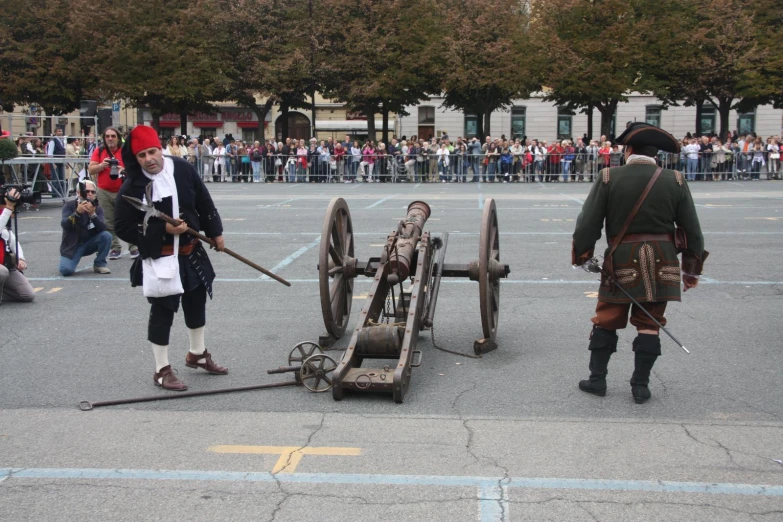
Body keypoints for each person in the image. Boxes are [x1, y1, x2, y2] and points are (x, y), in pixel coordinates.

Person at [571, 123, 708, 404]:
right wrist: (691, 270)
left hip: (622, 259)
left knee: (606, 320)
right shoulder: (677, 180)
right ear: (655, 154)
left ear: (629, 151)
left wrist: (583, 257)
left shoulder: (609, 177)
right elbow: (692, 230)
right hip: (663, 261)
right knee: (650, 323)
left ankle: (597, 381)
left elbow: (588, 223)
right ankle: (640, 386)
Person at [115, 125, 227, 391]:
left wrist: (216, 233)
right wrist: (163, 228)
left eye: (152, 152)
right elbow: (121, 227)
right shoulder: (132, 185)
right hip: (162, 257)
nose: (149, 159)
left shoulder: (182, 168)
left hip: (191, 251)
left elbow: (203, 201)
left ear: (160, 149)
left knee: (196, 302)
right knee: (163, 311)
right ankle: (161, 370)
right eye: (141, 155)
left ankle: (197, 354)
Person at [88, 127, 138, 260]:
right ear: (104, 138)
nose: (110, 139)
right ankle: (115, 248)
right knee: (108, 221)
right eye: (107, 136)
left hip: (123, 190)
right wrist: (102, 166)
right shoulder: (99, 151)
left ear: (118, 137)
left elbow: (136, 168)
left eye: (113, 136)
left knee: (128, 219)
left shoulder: (125, 151)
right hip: (104, 190)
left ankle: (134, 247)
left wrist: (124, 169)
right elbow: (91, 169)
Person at [59, 180, 113, 276]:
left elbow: (103, 228)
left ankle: (99, 264)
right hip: (73, 245)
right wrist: (77, 213)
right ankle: (71, 260)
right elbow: (65, 225)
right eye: (87, 191)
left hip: (89, 243)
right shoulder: (70, 205)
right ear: (78, 193)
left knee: (106, 236)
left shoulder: (97, 207)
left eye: (92, 192)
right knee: (66, 270)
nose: (90, 194)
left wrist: (93, 214)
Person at [1, 188, 35, 303]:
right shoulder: (4, 216)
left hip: (5, 264)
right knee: (2, 272)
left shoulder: (5, 219)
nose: (14, 211)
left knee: (27, 294)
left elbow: (12, 240)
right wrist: (8, 208)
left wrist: (20, 258)